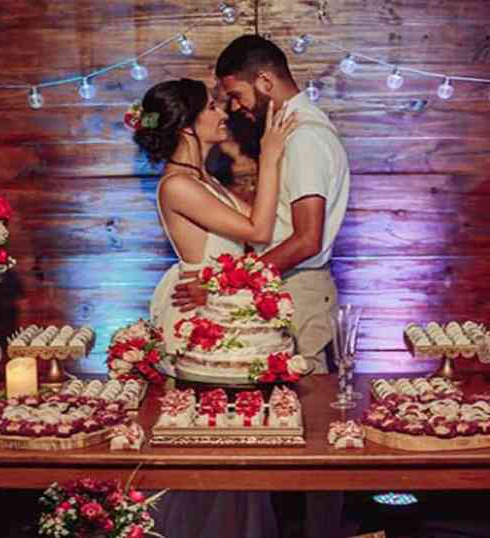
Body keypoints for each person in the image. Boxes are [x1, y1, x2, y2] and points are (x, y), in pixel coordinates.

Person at [174, 34, 353, 538]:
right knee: (277, 425)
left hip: (300, 290)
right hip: (283, 289)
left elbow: (306, 238)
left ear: (266, 81)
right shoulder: (292, 135)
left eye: (236, 94)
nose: (234, 107)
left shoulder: (306, 138)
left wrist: (233, 284)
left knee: (312, 430)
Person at [131, 78, 296, 538]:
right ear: (186, 123)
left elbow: (244, 242)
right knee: (205, 451)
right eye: (211, 106)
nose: (222, 113)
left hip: (224, 310)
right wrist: (273, 154)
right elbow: (259, 232)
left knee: (236, 443)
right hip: (201, 320)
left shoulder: (205, 180)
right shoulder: (178, 186)